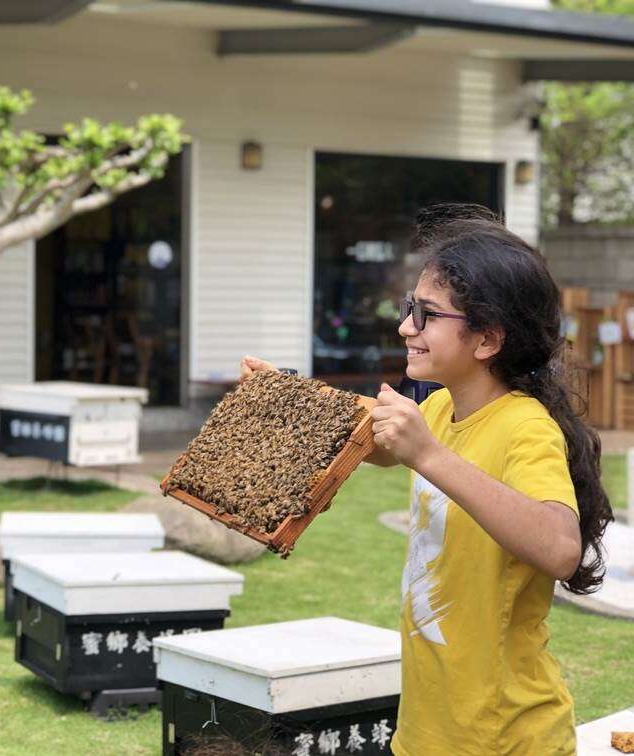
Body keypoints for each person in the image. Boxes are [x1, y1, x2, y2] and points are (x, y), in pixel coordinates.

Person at [242, 205, 612, 755]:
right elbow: (374, 430)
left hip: (504, 739)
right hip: (425, 734)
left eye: (427, 315)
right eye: (408, 308)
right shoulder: (440, 408)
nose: (404, 327)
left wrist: (430, 456)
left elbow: (561, 548)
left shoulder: (525, 428)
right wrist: (289, 400)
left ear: (487, 340)